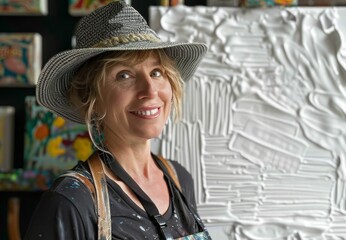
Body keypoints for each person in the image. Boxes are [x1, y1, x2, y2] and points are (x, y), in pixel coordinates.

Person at [24, 1, 210, 239]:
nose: (150, 91)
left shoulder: (179, 178)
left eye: (156, 72)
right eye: (125, 75)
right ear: (89, 97)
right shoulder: (72, 201)